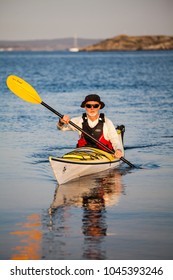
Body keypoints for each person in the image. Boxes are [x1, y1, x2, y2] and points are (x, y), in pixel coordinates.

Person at [57, 94, 123, 158]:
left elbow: (115, 141)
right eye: (89, 106)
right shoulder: (79, 121)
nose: (92, 108)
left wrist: (118, 150)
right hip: (83, 153)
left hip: (104, 154)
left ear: (99, 106)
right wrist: (61, 122)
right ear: (85, 107)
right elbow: (61, 128)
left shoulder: (107, 122)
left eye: (95, 106)